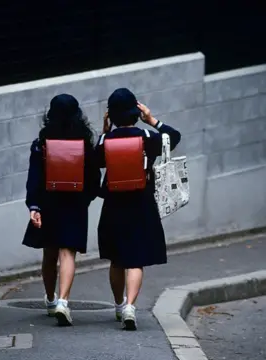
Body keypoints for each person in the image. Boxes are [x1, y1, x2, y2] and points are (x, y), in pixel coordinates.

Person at [95, 88, 181, 331]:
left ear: (110, 116)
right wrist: (152, 119)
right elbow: (174, 137)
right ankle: (132, 306)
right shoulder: (147, 137)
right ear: (136, 112)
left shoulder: (105, 141)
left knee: (116, 259)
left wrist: (105, 131)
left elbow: (95, 160)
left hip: (113, 205)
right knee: (135, 259)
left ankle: (119, 304)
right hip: (141, 202)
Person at [22, 94, 101, 326]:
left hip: (48, 201)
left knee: (49, 253)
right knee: (68, 253)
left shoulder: (42, 144)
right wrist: (85, 199)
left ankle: (49, 299)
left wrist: (34, 206)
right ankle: (63, 302)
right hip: (75, 203)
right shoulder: (85, 145)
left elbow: (34, 177)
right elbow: (94, 178)